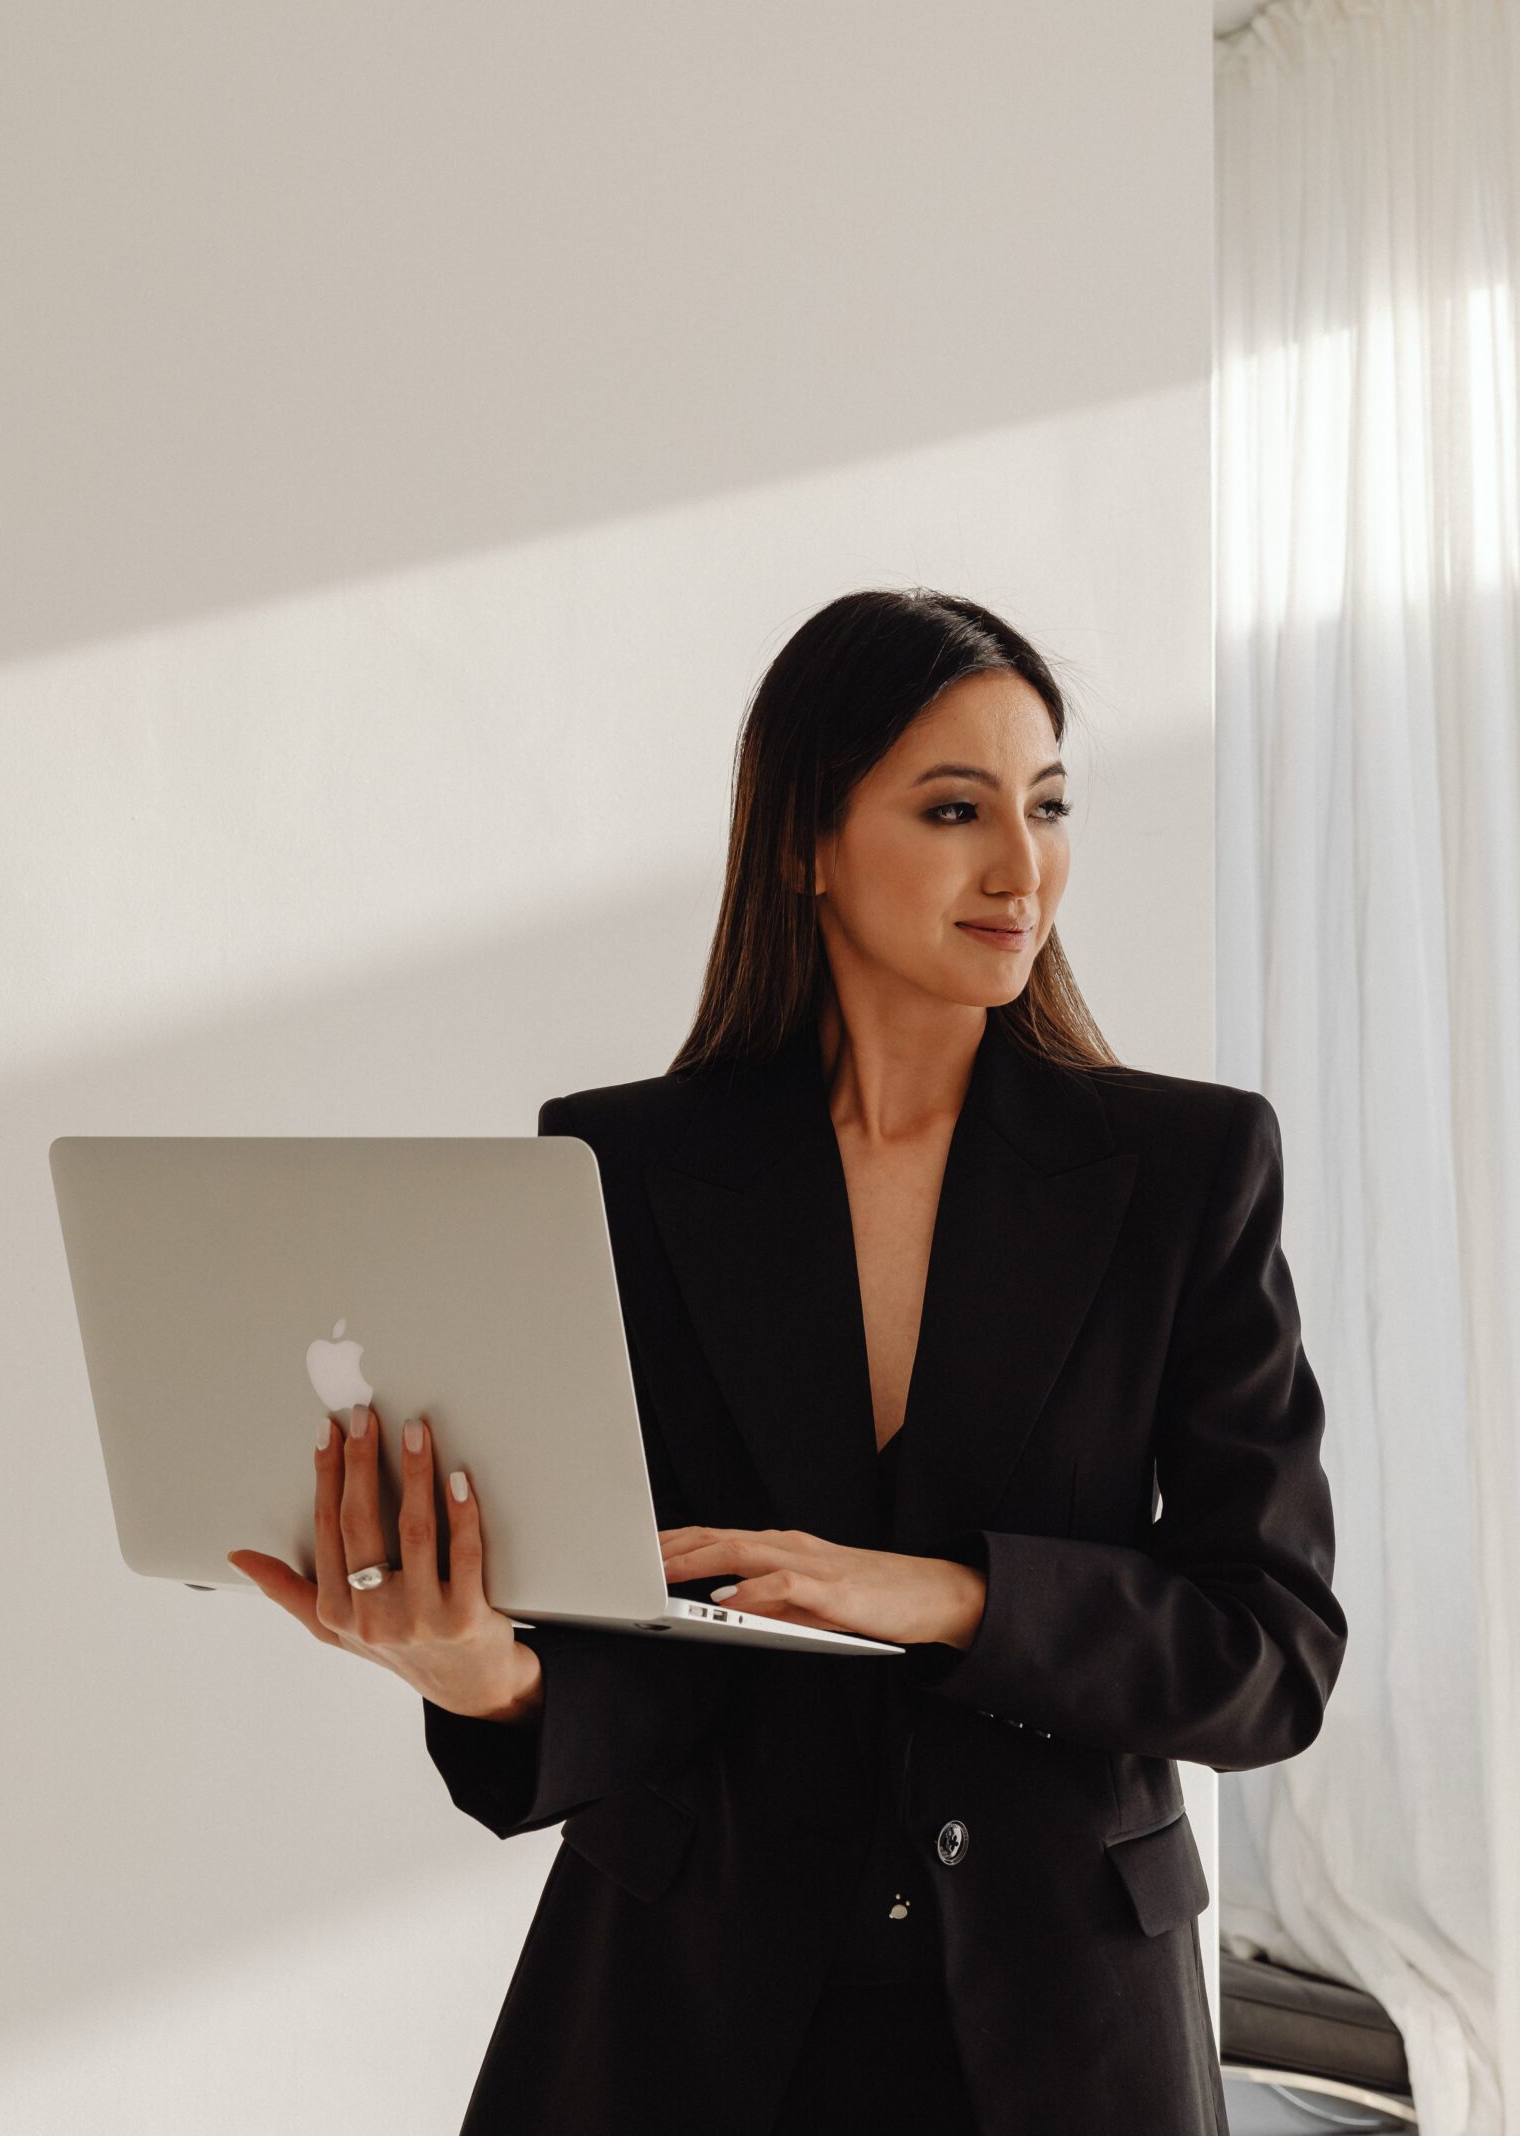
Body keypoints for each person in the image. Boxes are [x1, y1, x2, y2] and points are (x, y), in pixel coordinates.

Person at [229, 587, 1348, 2136]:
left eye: (1048, 805)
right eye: (955, 810)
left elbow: (1272, 1654)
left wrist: (950, 1598)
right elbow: (635, 1623)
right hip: (684, 2024)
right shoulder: (622, 1166)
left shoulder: (1186, 1167)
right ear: (805, 843)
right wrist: (489, 1679)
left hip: (1064, 2044)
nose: (1023, 870)